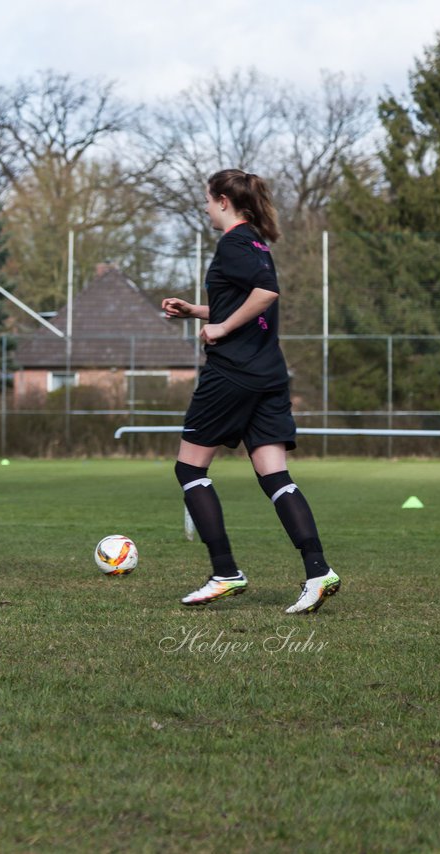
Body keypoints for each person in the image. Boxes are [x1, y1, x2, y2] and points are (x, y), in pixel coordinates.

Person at [161, 169, 340, 614]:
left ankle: (225, 572)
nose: (204, 207)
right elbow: (246, 298)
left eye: (207, 199)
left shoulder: (235, 242)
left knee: (189, 469)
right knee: (275, 477)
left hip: (232, 374)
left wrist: (218, 326)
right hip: (268, 374)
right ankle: (318, 572)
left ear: (223, 200)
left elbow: (265, 293)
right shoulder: (257, 242)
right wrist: (197, 311)